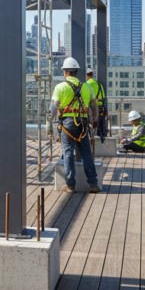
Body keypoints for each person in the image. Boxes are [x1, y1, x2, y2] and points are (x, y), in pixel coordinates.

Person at [51, 57, 99, 193]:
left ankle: (70, 184)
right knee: (86, 152)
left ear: (65, 72)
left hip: (67, 124)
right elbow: (94, 105)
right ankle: (93, 183)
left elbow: (53, 108)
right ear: (76, 72)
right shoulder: (87, 86)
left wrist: (53, 121)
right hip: (83, 123)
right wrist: (94, 120)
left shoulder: (60, 87)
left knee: (68, 152)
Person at [86, 68, 108, 143]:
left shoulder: (89, 83)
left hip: (95, 109)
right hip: (102, 107)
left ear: (86, 75)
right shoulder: (98, 83)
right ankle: (101, 138)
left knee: (93, 126)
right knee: (101, 126)